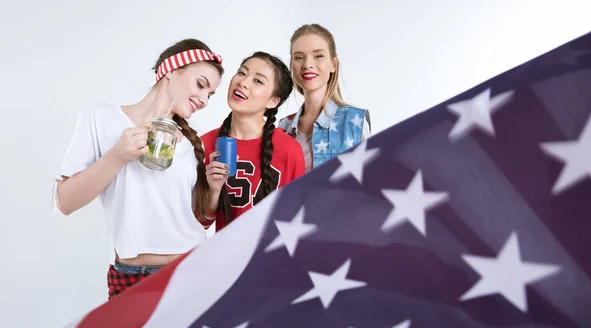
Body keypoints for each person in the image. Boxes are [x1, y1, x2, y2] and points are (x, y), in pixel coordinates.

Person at [53, 39, 224, 299]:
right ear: (171, 70)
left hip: (190, 269)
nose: (204, 99)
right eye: (201, 85)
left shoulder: (191, 144)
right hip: (128, 276)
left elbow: (198, 219)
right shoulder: (102, 118)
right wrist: (116, 157)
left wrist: (213, 191)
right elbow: (65, 202)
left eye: (210, 95)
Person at [200, 51, 304, 231]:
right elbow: (201, 222)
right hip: (226, 257)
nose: (243, 82)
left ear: (273, 101)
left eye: (258, 81)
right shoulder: (206, 144)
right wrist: (214, 190)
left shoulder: (289, 150)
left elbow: (297, 224)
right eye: (242, 72)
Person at [279, 24, 372, 172]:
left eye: (318, 56)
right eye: (299, 57)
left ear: (333, 65)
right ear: (291, 66)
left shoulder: (354, 122)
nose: (308, 64)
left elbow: (374, 181)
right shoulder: (283, 128)